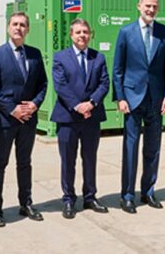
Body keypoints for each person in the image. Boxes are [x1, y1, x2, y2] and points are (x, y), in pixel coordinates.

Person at [112, 0, 165, 213]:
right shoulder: (126, 32)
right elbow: (118, 69)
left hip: (156, 99)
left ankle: (148, 191)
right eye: (147, 6)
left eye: (155, 7)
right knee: (130, 147)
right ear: (139, 6)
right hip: (132, 98)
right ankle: (127, 195)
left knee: (153, 148)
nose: (151, 10)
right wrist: (120, 97)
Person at [0, 11, 47, 227]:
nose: (18, 28)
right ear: (8, 27)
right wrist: (13, 110)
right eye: (15, 24)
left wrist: (34, 104)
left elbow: (43, 84)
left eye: (22, 25)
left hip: (28, 119)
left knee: (25, 163)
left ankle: (25, 203)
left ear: (28, 29)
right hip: (4, 120)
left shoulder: (35, 54)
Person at [50, 18, 111, 219]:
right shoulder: (60, 57)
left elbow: (104, 84)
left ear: (90, 34)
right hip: (68, 117)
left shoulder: (98, 58)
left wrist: (91, 103)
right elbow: (61, 85)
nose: (82, 35)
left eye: (85, 32)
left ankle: (90, 196)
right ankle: (68, 199)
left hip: (91, 117)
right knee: (68, 160)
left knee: (90, 158)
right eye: (78, 32)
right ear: (71, 35)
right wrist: (78, 106)